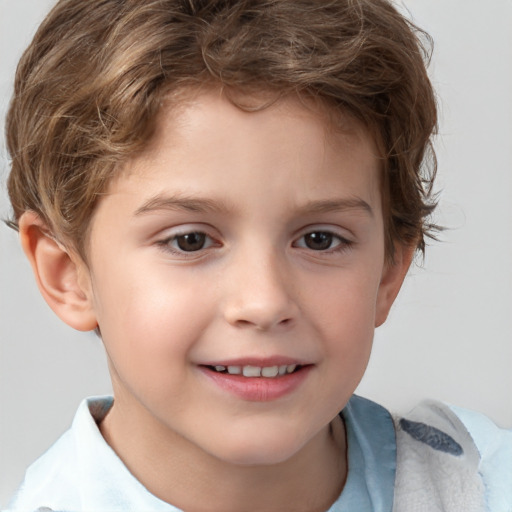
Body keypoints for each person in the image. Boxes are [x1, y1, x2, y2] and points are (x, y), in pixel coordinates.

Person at [4, 0, 511, 511]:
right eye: (190, 240)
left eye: (320, 239)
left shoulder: (487, 487)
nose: (264, 302)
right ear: (67, 274)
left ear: (388, 271)